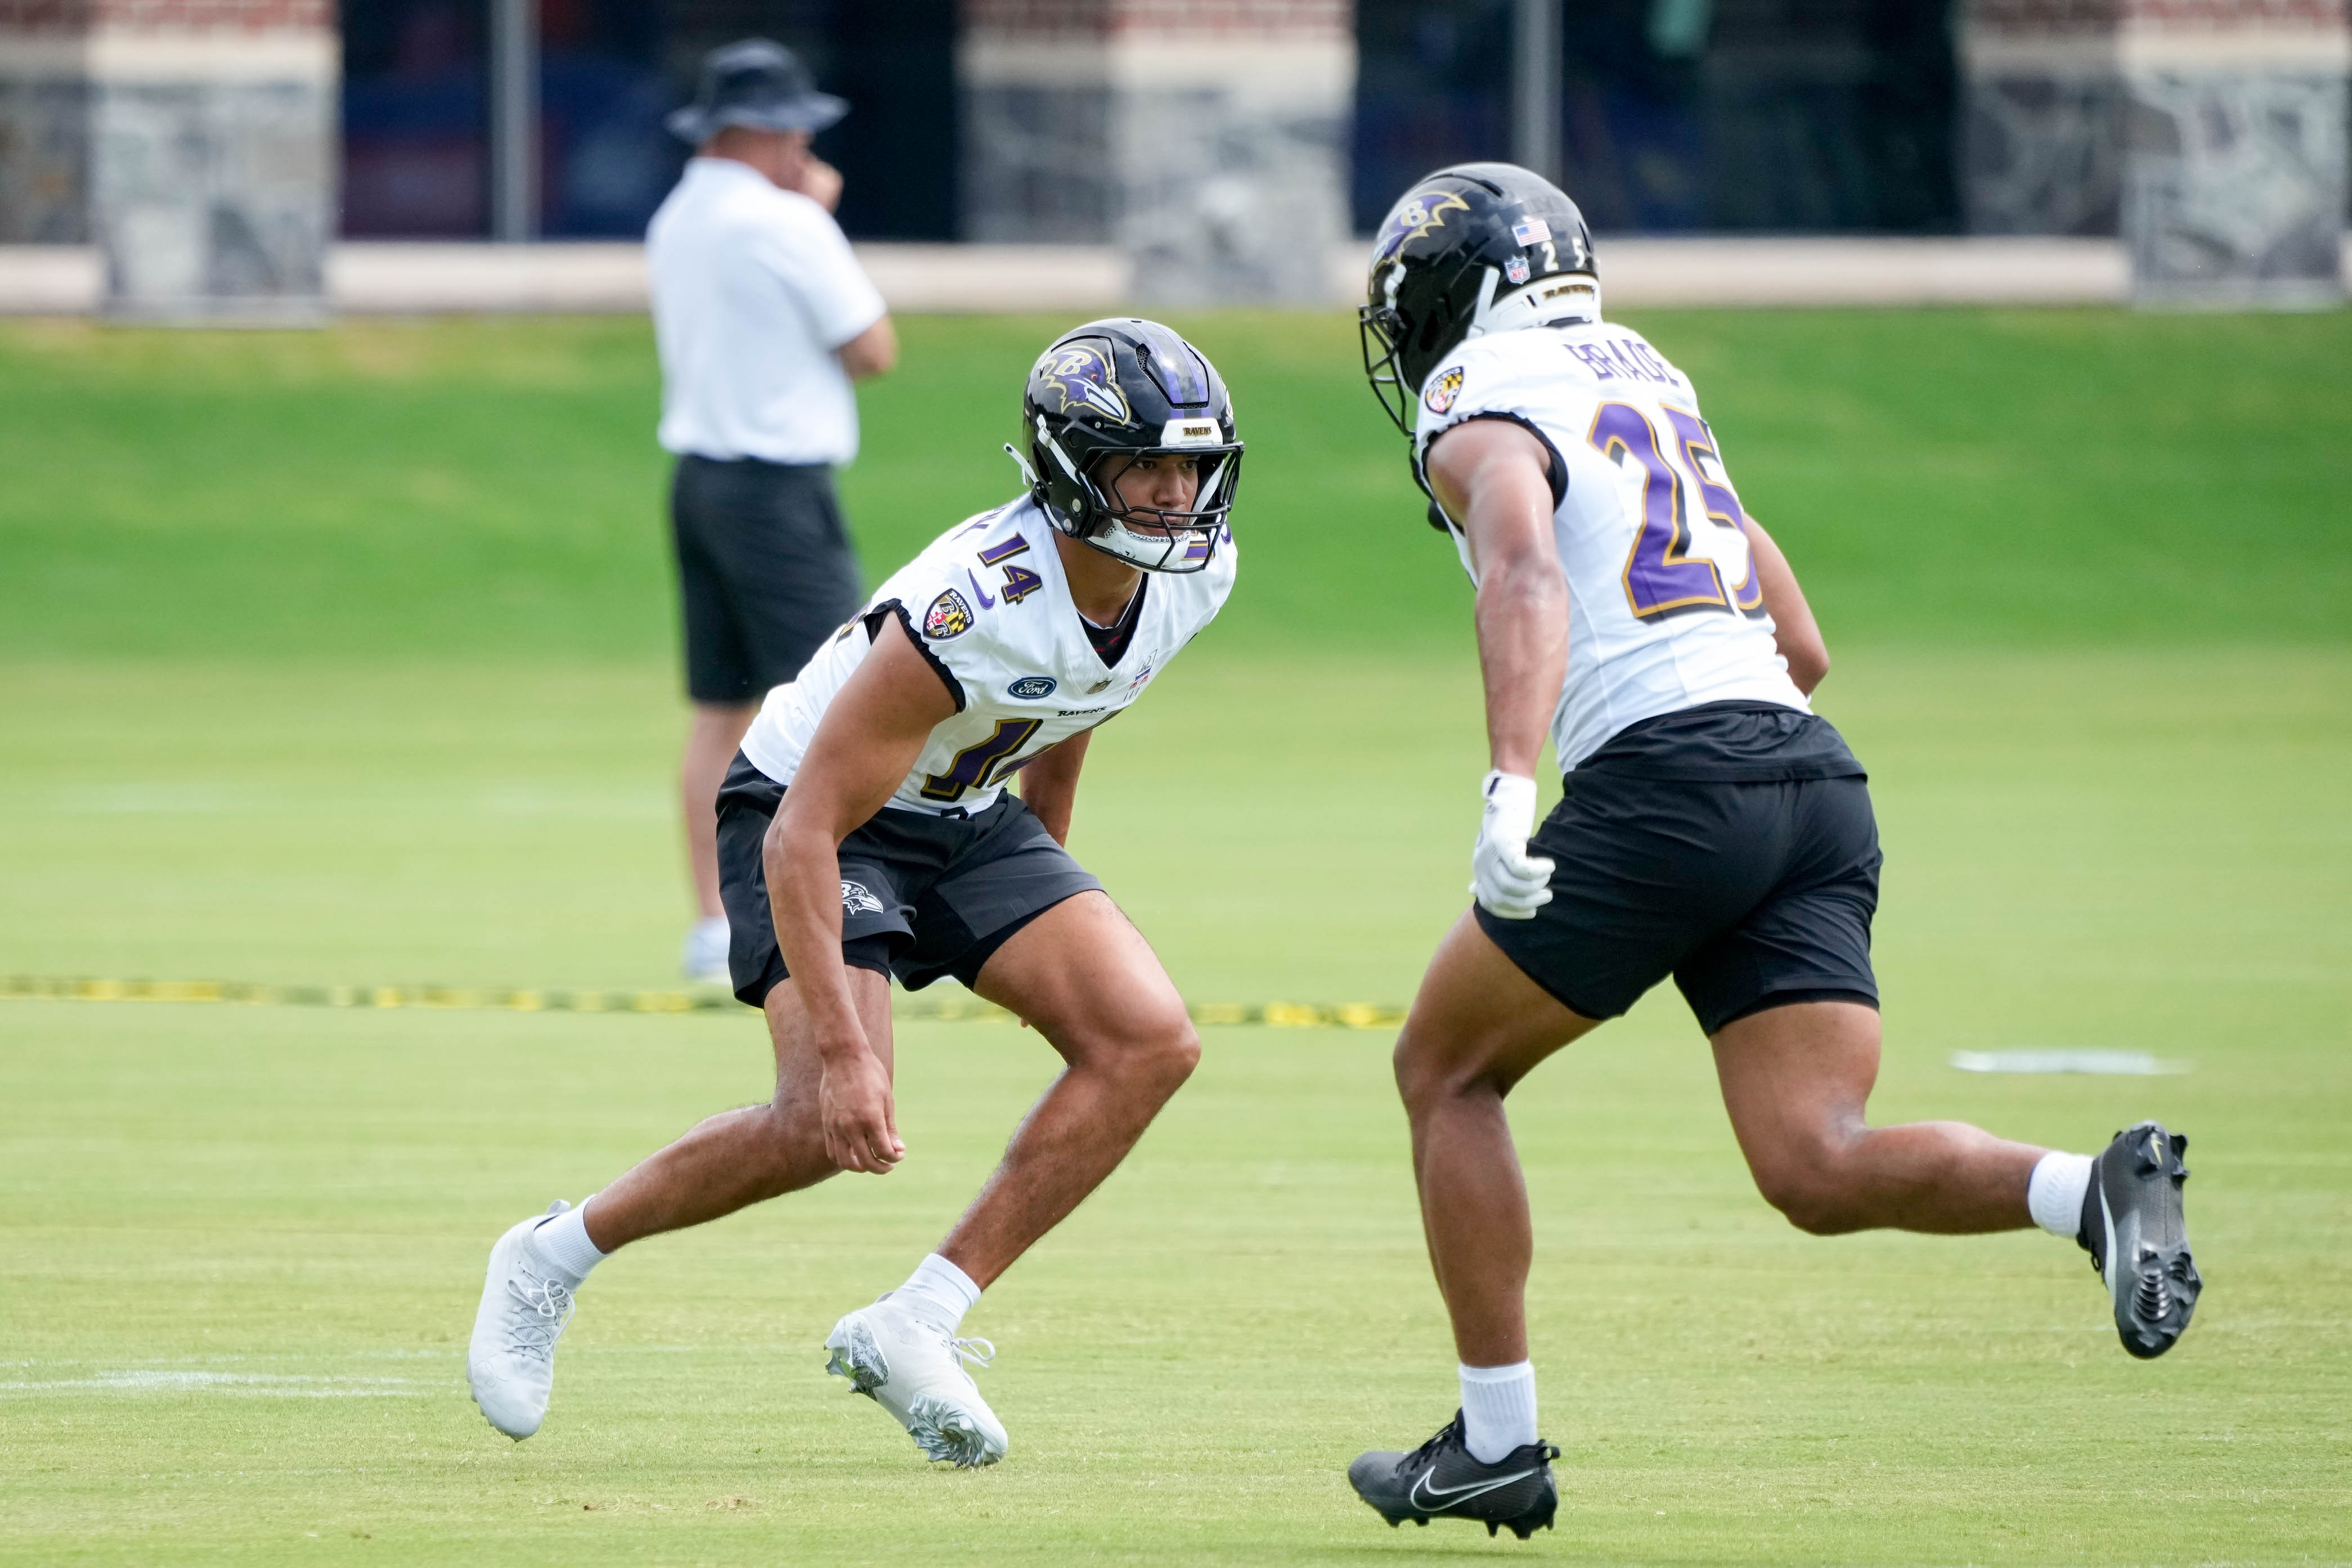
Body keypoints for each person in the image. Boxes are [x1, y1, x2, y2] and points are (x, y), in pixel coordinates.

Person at [1341, 164, 2200, 1539]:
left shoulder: (1475, 400)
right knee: (1813, 1159)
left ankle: (1494, 1442)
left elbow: (1522, 568)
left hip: (1671, 778)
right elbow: (1797, 644)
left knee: (1443, 1066)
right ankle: (2081, 1191)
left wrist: (1513, 781)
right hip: (1809, 780)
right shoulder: (1650, 376)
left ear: (1458, 296)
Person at [466, 319, 1245, 1468]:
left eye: (1192, 466)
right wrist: (842, 1053)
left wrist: (1044, 904)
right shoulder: (970, 604)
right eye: (1146, 466)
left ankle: (913, 1321)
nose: (1176, 495)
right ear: (1073, 464)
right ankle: (551, 1254)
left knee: (1147, 1040)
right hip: (813, 811)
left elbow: (1077, 708)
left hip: (971, 810)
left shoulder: (1193, 575)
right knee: (814, 1126)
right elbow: (802, 831)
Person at [647, 38, 900, 984]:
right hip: (778, 491)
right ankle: (825, 917)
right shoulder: (785, 221)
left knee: (722, 711)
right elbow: (873, 347)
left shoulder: (678, 214)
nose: (805, 143)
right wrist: (819, 222)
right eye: (793, 126)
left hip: (701, 480)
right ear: (759, 131)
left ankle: (715, 928)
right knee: (849, 698)